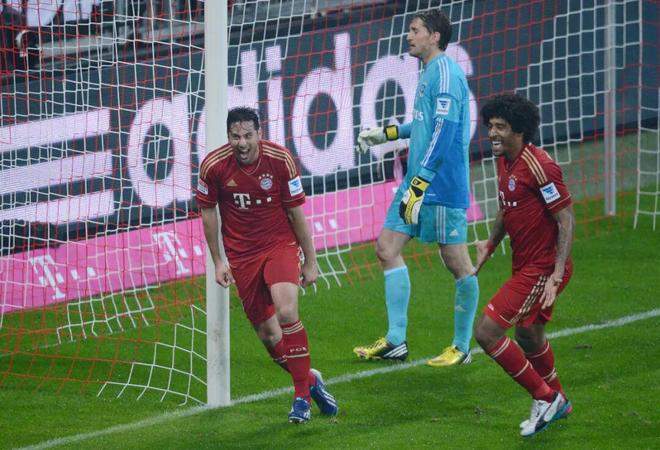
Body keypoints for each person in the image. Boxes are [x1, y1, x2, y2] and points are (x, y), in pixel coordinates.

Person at [196, 106, 338, 424]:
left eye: (248, 135)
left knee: (286, 312)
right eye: (235, 136)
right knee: (269, 336)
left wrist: (311, 260)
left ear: (259, 134)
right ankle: (310, 381)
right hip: (242, 255)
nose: (242, 143)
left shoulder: (280, 159)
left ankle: (301, 399)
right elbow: (208, 213)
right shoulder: (213, 166)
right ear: (228, 136)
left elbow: (296, 213)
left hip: (279, 245)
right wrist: (218, 261)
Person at [353, 9, 479, 366]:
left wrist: (422, 180)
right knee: (386, 248)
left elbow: (443, 131)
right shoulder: (428, 72)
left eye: (415, 30)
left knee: (456, 262)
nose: (408, 36)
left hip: (440, 186)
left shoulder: (446, 75)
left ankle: (462, 346)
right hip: (417, 183)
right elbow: (424, 124)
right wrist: (386, 133)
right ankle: (396, 340)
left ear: (434, 36)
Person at [474, 94, 574, 437]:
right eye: (490, 126)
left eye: (501, 127)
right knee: (528, 335)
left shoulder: (540, 166)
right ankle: (559, 399)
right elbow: (507, 206)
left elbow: (565, 219)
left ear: (519, 130)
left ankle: (545, 398)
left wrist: (555, 274)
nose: (492, 133)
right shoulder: (504, 160)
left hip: (542, 268)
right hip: (525, 265)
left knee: (486, 332)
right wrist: (490, 245)